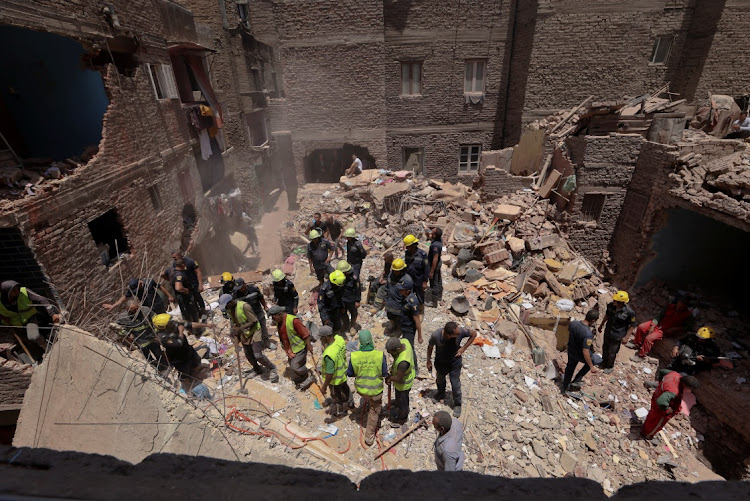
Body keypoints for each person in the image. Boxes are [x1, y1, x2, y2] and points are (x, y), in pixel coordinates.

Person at [219, 294, 278, 382]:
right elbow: (235, 322)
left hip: (254, 332)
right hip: (244, 333)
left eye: (227, 305)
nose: (226, 307)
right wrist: (235, 332)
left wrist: (240, 328)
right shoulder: (230, 310)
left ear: (230, 301)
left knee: (258, 355)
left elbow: (254, 321)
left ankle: (272, 367)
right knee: (248, 354)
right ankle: (257, 369)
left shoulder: (244, 306)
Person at [347, 330, 388, 446]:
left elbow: (350, 373)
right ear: (371, 341)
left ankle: (365, 406)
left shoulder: (354, 356)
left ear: (360, 342)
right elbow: (385, 374)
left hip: (361, 390)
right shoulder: (380, 355)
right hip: (375, 392)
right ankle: (369, 438)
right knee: (374, 412)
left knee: (368, 400)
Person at [427, 322, 477, 417]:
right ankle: (441, 394)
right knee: (440, 380)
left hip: (455, 362)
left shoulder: (460, 331)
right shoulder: (436, 335)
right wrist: (428, 361)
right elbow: (430, 347)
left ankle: (457, 404)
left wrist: (463, 348)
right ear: (448, 334)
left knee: (455, 384)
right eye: (456, 335)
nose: (459, 335)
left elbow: (474, 334)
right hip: (441, 363)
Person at [627, 295, 694, 361]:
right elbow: (658, 317)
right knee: (641, 327)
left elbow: (687, 327)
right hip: (658, 324)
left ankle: (641, 356)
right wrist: (653, 325)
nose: (681, 307)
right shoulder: (670, 306)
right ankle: (636, 344)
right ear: (678, 302)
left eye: (684, 306)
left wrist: (674, 329)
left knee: (649, 338)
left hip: (665, 330)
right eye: (681, 304)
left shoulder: (688, 315)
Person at [0, 280, 60, 350]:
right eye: (14, 290)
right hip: (15, 323)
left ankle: (47, 348)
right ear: (7, 292)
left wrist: (52, 313)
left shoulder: (24, 292)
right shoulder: (1, 301)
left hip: (29, 317)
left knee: (33, 336)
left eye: (17, 288)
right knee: (26, 340)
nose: (17, 291)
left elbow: (41, 299)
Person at [641, 369, 699, 440]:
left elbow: (662, 371)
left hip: (657, 397)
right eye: (690, 388)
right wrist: (667, 409)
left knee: (651, 416)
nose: (690, 390)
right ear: (685, 384)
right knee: (656, 423)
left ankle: (645, 427)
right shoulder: (674, 391)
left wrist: (660, 383)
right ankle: (647, 435)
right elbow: (661, 402)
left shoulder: (674, 374)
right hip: (660, 410)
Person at [151, 313, 211, 379]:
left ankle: (196, 373)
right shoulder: (163, 337)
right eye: (169, 322)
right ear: (165, 326)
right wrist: (180, 331)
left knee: (196, 363)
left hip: (187, 350)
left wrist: (207, 325)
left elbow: (190, 324)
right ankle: (186, 384)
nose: (172, 322)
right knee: (185, 374)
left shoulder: (174, 325)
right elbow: (178, 344)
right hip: (178, 358)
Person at [269, 305, 315, 389]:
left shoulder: (294, 321)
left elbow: (305, 333)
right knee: (292, 364)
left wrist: (309, 345)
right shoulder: (278, 322)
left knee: (295, 366)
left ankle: (307, 374)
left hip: (299, 347)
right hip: (290, 349)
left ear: (280, 314)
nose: (273, 319)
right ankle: (301, 377)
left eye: (274, 316)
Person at [113, 299, 163, 369]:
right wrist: (128, 334)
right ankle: (157, 369)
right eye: (133, 310)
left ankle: (164, 367)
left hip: (152, 338)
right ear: (127, 309)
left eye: (137, 309)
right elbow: (117, 328)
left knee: (159, 354)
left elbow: (157, 320)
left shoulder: (145, 310)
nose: (136, 311)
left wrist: (157, 333)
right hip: (140, 342)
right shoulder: (123, 318)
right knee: (149, 358)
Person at [316, 325, 350, 422]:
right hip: (343, 373)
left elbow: (330, 373)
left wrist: (324, 386)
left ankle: (340, 413)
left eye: (321, 338)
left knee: (336, 396)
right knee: (344, 390)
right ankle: (348, 404)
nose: (321, 340)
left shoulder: (329, 354)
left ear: (326, 337)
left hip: (335, 380)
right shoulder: (339, 339)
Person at [598, 290, 636, 373]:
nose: (613, 302)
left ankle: (610, 366)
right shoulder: (611, 306)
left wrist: (626, 337)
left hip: (618, 335)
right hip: (608, 331)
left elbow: (632, 325)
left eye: (615, 301)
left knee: (612, 352)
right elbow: (607, 315)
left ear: (621, 303)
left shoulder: (629, 313)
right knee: (605, 347)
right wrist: (601, 325)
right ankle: (604, 362)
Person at [562, 309, 600, 393]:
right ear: (593, 320)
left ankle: (564, 387)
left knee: (569, 368)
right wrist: (591, 366)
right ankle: (576, 381)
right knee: (593, 361)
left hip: (571, 350)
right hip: (579, 354)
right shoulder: (588, 334)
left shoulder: (573, 323)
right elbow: (585, 351)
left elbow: (571, 331)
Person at [232, 278, 275, 350]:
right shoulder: (236, 295)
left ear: (244, 284)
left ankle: (267, 343)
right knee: (251, 331)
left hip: (258, 313)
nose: (240, 290)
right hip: (247, 317)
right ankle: (256, 346)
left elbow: (261, 298)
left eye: (241, 287)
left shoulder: (253, 289)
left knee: (263, 329)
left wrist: (265, 307)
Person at [385, 337, 415, 427]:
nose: (390, 354)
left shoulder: (403, 362)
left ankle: (402, 418)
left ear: (398, 349)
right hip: (400, 383)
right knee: (399, 397)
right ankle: (397, 402)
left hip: (404, 385)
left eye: (391, 352)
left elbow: (398, 378)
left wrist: (389, 378)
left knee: (403, 401)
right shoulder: (404, 341)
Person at [103, 278, 170, 314]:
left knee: (163, 317)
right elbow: (124, 297)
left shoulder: (149, 282)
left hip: (158, 304)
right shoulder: (134, 289)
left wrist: (169, 296)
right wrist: (113, 306)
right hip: (148, 307)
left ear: (140, 283)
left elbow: (160, 287)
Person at [398, 284, 423, 373]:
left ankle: (415, 369)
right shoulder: (404, 298)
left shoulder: (412, 302)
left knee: (410, 348)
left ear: (407, 291)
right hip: (404, 326)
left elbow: (417, 321)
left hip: (409, 329)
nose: (400, 291)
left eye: (402, 289)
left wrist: (419, 336)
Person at [385, 258, 413, 335]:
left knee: (398, 318)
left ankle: (398, 329)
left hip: (399, 304)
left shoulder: (407, 280)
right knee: (390, 316)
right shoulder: (391, 275)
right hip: (390, 302)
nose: (395, 272)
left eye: (396, 271)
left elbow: (409, 296)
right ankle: (393, 325)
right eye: (394, 270)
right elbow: (387, 287)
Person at [403, 234, 429, 310]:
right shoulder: (407, 253)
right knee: (408, 295)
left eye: (408, 246)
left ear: (413, 245)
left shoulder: (422, 254)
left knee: (420, 296)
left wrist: (425, 281)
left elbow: (427, 268)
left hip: (418, 279)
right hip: (409, 279)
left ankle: (420, 310)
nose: (407, 248)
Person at [318, 270, 345, 335]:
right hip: (328, 313)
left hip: (336, 310)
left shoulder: (339, 285)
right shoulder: (324, 289)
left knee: (337, 326)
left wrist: (342, 306)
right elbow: (321, 305)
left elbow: (340, 297)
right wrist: (325, 318)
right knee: (328, 330)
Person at [337, 261, 361, 335]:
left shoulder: (354, 277)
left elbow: (358, 289)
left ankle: (352, 325)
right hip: (342, 299)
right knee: (343, 313)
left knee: (354, 313)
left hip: (351, 299)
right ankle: (346, 324)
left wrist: (357, 300)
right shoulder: (339, 276)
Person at [426, 227, 443, 307]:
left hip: (434, 264)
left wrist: (431, 271)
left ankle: (434, 302)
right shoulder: (439, 239)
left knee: (433, 282)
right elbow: (430, 236)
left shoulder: (435, 245)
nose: (432, 230)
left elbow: (435, 259)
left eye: (433, 231)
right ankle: (439, 295)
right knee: (439, 279)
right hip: (439, 262)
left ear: (435, 235)